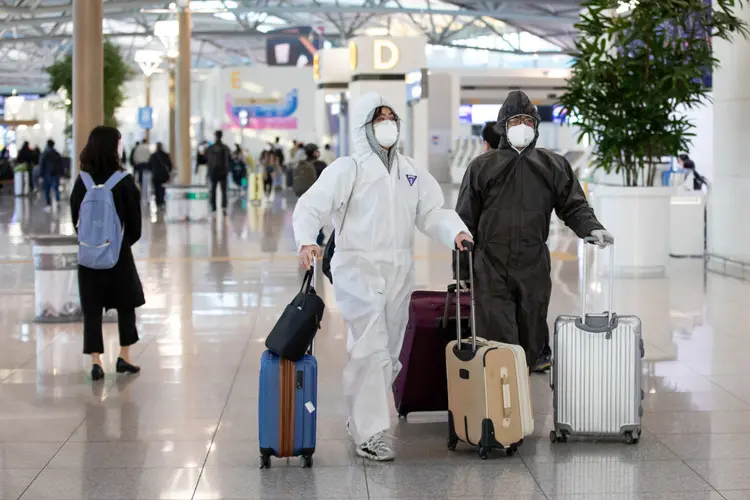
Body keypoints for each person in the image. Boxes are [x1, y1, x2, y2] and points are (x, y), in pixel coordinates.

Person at [293, 92, 473, 461]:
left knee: (389, 353)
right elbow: (313, 204)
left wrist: (454, 231)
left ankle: (360, 416)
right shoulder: (349, 168)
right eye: (380, 118)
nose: (388, 123)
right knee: (370, 346)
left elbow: (431, 211)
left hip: (398, 269)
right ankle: (371, 433)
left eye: (392, 117)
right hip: (357, 269)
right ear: (366, 127)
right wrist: (306, 240)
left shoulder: (410, 171)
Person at [455, 90, 613, 374]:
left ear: (536, 125)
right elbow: (463, 222)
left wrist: (593, 229)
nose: (522, 127)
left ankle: (530, 370)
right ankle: (503, 391)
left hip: (533, 261)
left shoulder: (552, 165)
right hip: (490, 263)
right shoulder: (482, 166)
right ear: (503, 124)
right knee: (498, 335)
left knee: (532, 325)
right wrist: (462, 272)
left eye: (528, 120)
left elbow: (574, 205)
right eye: (516, 120)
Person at [70, 126, 144, 381]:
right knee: (126, 304)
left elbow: (75, 218)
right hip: (118, 253)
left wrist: (92, 241)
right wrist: (120, 245)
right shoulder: (123, 181)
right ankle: (124, 356)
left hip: (89, 255)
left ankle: (95, 361)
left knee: (92, 308)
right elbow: (135, 224)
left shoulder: (83, 180)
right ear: (113, 147)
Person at [206, 130, 231, 215]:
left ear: (215, 136)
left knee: (213, 190)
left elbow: (207, 161)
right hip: (223, 172)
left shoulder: (210, 148)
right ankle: (224, 207)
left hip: (213, 172)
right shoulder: (225, 148)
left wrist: (208, 172)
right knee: (224, 191)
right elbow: (229, 160)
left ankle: (213, 208)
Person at [40, 139, 63, 212]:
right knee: (56, 188)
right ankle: (58, 202)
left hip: (47, 174)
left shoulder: (45, 153)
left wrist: (41, 175)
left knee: (47, 190)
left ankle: (48, 204)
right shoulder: (57, 153)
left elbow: (42, 164)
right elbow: (60, 164)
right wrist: (61, 173)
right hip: (56, 174)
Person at [149, 142, 173, 208]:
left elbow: (149, 165)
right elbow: (170, 166)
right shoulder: (165, 155)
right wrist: (168, 172)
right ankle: (162, 201)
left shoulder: (153, 155)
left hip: (156, 175)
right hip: (163, 175)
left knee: (156, 189)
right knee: (162, 189)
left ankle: (158, 202)